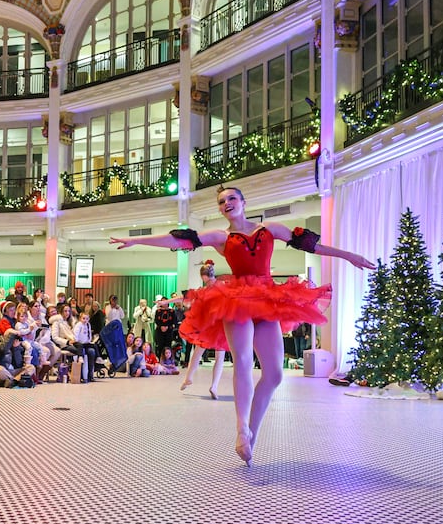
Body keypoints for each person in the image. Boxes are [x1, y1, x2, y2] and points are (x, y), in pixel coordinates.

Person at [110, 185, 373, 465]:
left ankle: (251, 433)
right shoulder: (221, 237)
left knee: (274, 374)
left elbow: (311, 245)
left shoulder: (270, 228)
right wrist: (138, 241)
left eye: (231, 198)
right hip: (235, 301)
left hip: (268, 299)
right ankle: (240, 428)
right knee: (244, 360)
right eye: (221, 201)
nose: (226, 203)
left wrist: (349, 256)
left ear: (244, 202)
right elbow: (181, 238)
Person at [162, 260, 227, 400]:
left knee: (203, 355)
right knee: (208, 355)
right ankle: (204, 383)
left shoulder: (213, 288)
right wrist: (165, 302)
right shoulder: (213, 288)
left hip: (213, 326)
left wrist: (166, 302)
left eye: (205, 278)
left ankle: (199, 381)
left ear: (206, 276)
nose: (205, 281)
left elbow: (185, 297)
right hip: (215, 326)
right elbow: (185, 297)